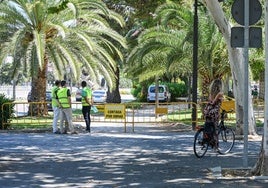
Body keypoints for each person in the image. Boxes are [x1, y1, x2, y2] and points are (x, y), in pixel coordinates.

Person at [203, 79, 224, 150]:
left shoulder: (211, 93)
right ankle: (215, 146)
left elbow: (210, 101)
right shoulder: (220, 93)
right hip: (215, 113)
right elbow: (214, 102)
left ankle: (206, 140)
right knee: (215, 129)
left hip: (208, 112)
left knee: (207, 125)